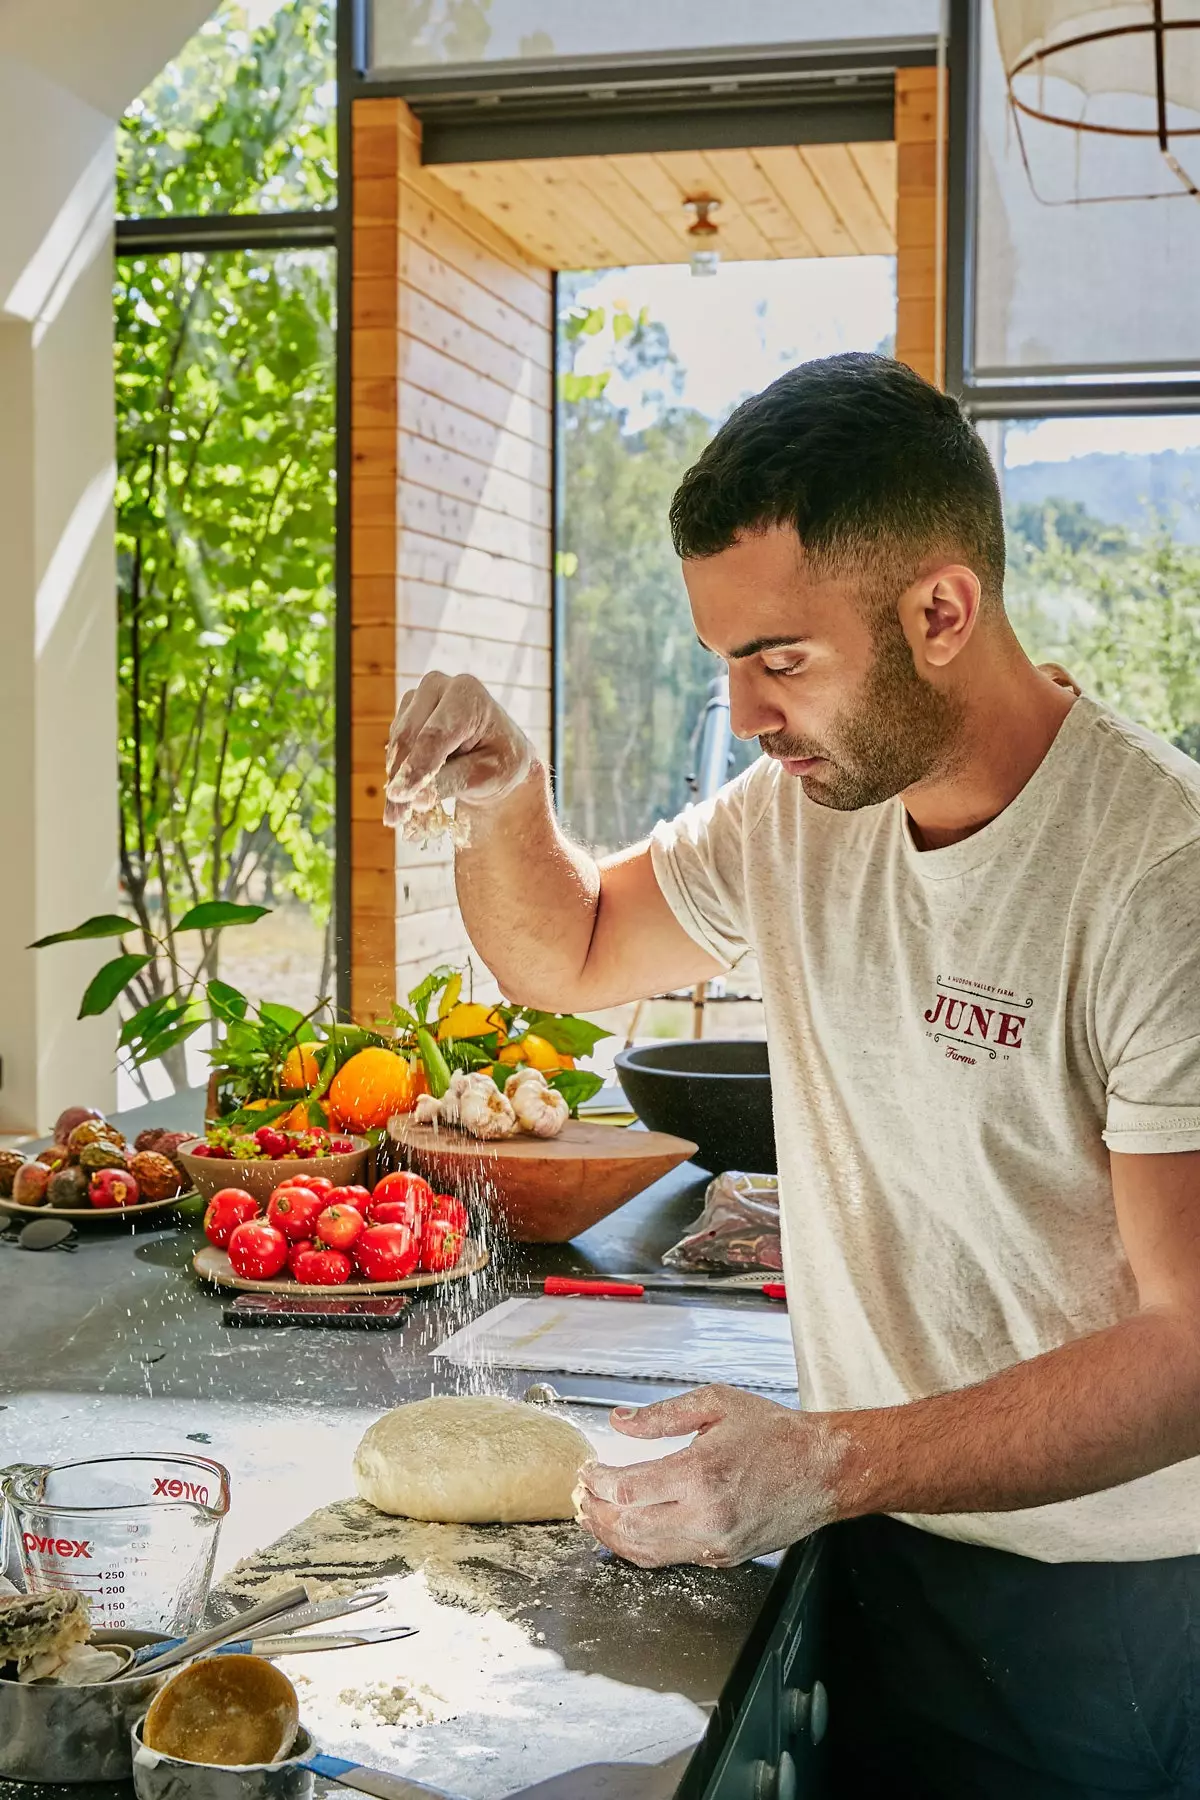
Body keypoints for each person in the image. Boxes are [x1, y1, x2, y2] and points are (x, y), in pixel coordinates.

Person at [384, 354, 1200, 1798]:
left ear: (942, 610)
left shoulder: (1160, 875)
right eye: (727, 662)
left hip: (1113, 1611)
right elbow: (567, 950)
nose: (748, 713)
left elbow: (1192, 1345)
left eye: (782, 659)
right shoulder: (799, 817)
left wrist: (826, 1461)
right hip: (867, 1539)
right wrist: (506, 800)